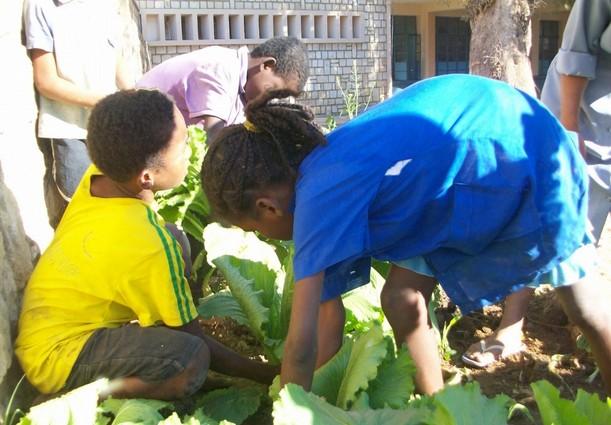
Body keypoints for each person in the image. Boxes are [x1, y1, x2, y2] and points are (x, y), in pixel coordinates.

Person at [200, 74, 611, 395]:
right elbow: (327, 328)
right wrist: (289, 383)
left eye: (257, 230)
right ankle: (439, 407)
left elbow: (301, 342)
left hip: (523, 147)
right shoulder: (314, 176)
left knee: (583, 304)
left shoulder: (318, 195)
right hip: (464, 152)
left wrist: (286, 404)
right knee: (400, 299)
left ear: (267, 207)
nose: (269, 238)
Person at [15, 89, 277, 399]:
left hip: (44, 329)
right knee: (191, 357)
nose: (190, 152)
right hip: (60, 360)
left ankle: (162, 330)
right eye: (181, 150)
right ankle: (88, 396)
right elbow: (197, 342)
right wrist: (268, 373)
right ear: (146, 177)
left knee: (175, 236)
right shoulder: (148, 243)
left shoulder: (100, 175)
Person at [462, 0, 611, 369]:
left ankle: (589, 315)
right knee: (554, 218)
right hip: (585, 110)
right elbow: (578, 51)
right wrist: (569, 128)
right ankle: (512, 327)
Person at [23, 0, 131, 229]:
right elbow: (46, 82)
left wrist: (133, 96)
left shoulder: (105, 5)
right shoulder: (41, 5)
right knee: (81, 215)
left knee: (119, 212)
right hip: (70, 132)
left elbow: (116, 60)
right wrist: (106, 102)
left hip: (112, 129)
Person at [136, 36, 309, 141]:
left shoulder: (243, 88)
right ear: (267, 66)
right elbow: (215, 141)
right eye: (278, 92)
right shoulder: (221, 68)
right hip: (133, 133)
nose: (273, 101)